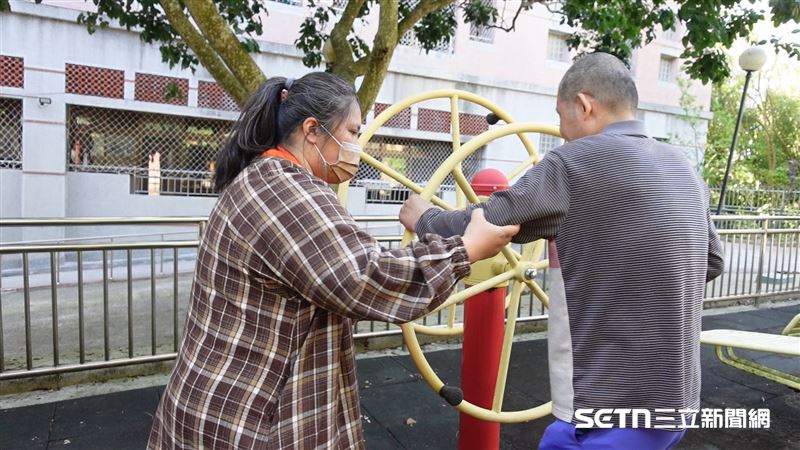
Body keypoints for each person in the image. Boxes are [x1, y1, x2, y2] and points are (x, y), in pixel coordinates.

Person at [148, 72, 519, 449]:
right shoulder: (289, 193)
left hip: (216, 397)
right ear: (312, 130)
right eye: (353, 132)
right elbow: (364, 276)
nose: (358, 146)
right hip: (252, 418)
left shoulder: (259, 178)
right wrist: (466, 249)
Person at [400, 53, 725, 450]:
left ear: (585, 105)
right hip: (677, 399)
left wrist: (425, 218)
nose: (559, 129)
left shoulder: (572, 163)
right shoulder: (684, 167)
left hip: (607, 406)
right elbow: (710, 260)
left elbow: (488, 221)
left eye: (560, 114)